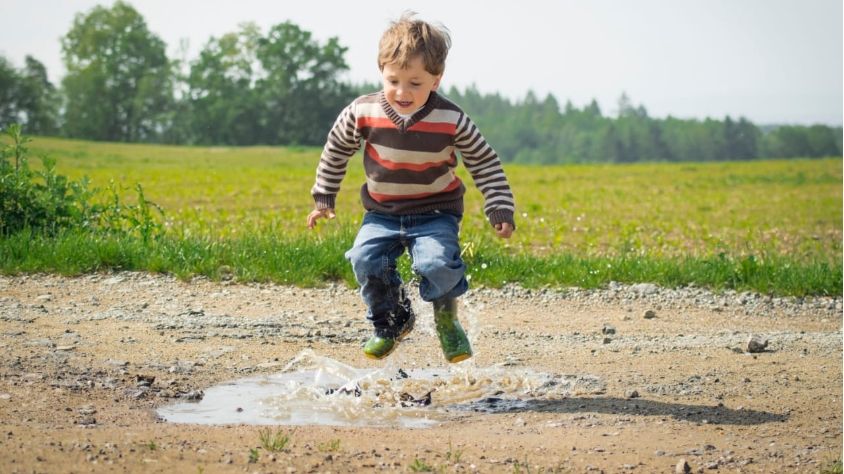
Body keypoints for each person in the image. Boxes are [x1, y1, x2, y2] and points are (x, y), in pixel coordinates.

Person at [307, 13, 515, 363]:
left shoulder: (452, 119)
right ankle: (392, 321)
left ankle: (447, 318)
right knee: (365, 259)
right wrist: (324, 196)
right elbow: (336, 149)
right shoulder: (363, 111)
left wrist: (499, 206)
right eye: (394, 80)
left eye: (415, 83)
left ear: (436, 79)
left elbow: (484, 162)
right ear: (381, 71)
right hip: (382, 212)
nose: (403, 92)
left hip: (436, 212)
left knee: (436, 264)